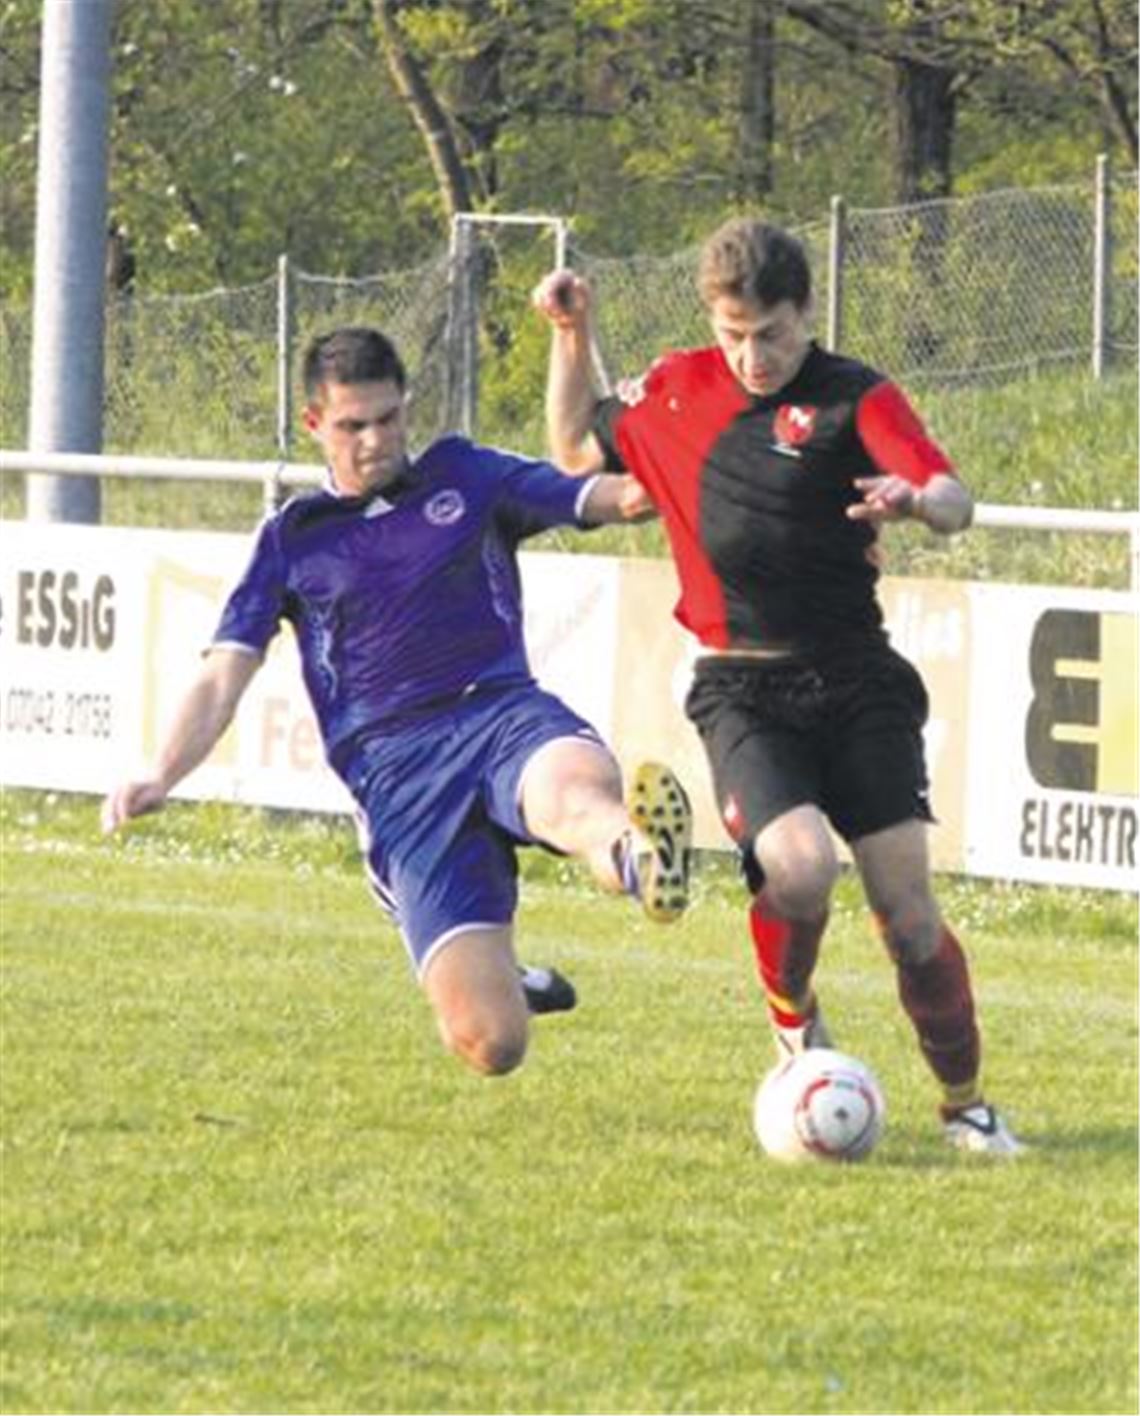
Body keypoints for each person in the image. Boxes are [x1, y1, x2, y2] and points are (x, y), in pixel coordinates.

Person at [534, 218, 1021, 1154]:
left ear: (806, 314)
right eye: (734, 334)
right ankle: (794, 1020)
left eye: (773, 334)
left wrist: (915, 500)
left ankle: (965, 1102)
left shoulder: (855, 397)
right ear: (713, 321)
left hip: (859, 681)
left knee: (908, 918)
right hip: (743, 688)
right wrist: (572, 335)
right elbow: (571, 451)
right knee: (799, 868)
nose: (754, 356)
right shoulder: (676, 390)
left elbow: (955, 499)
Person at [102, 326, 692, 1078]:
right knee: (493, 1045)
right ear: (315, 424)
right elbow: (223, 675)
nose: (377, 439)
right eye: (354, 425)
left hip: (500, 714)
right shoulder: (293, 539)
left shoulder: (466, 475)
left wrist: (671, 435)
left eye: (389, 417)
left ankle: (641, 856)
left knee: (575, 794)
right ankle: (508, 978)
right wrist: (159, 773)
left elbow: (616, 496)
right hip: (399, 777)